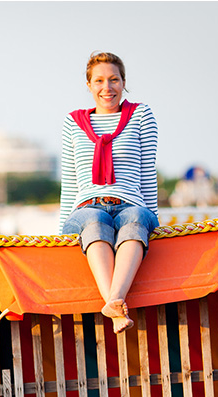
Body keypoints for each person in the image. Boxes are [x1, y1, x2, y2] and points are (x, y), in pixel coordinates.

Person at [59, 51, 159, 333]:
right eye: (99, 80)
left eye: (114, 80)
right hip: (87, 205)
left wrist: (153, 218)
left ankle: (113, 302)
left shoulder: (141, 115)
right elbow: (70, 181)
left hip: (130, 202)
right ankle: (116, 304)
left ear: (123, 82)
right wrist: (59, 233)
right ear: (89, 85)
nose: (107, 87)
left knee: (136, 218)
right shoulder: (72, 122)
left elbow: (147, 172)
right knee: (94, 222)